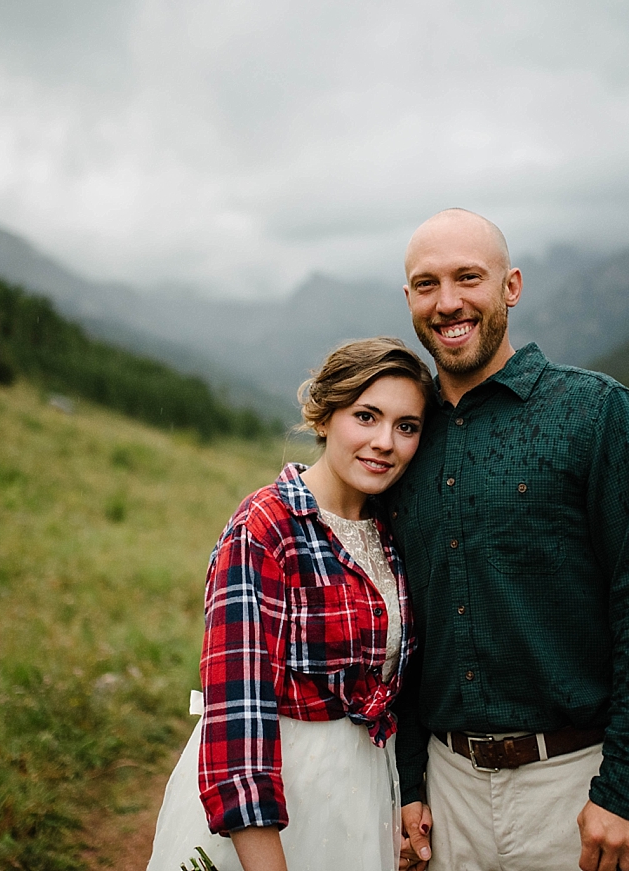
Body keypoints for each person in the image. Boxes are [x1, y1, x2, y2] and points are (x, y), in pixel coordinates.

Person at [387, 209, 629, 871]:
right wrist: (409, 783)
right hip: (446, 792)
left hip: (575, 788)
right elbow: (405, 627)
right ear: (409, 298)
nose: (449, 302)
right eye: (427, 284)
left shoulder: (597, 413)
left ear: (511, 286)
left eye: (469, 277)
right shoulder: (402, 439)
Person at [146, 337, 436, 871]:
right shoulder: (266, 528)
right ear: (325, 415)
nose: (385, 442)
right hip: (274, 807)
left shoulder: (393, 531)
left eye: (407, 426)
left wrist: (398, 796)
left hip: (362, 792)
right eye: (366, 416)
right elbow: (237, 715)